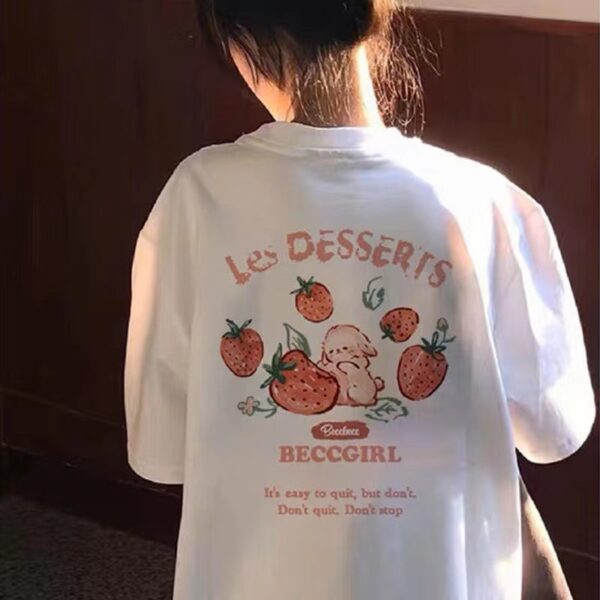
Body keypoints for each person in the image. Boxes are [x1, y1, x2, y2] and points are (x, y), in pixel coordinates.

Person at [123, 1, 596, 598]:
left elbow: (162, 443)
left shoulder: (196, 196)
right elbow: (554, 427)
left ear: (244, 41)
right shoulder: (489, 203)